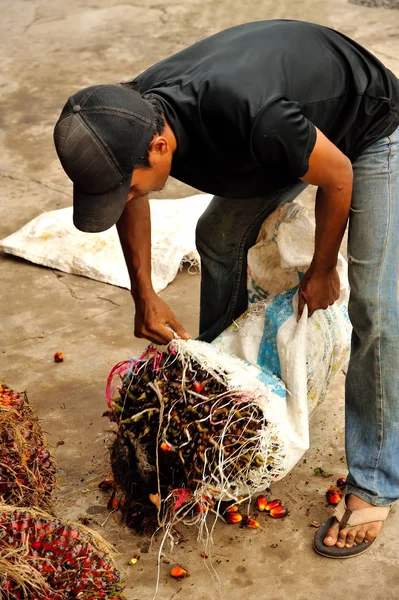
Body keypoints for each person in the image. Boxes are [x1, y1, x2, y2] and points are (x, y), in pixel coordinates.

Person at [53, 19, 399, 558]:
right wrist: (143, 292)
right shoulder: (125, 113)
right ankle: (224, 395)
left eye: (127, 185)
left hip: (366, 129)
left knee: (377, 305)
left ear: (161, 144)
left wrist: (324, 270)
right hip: (288, 130)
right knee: (217, 235)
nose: (125, 196)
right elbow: (132, 197)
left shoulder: (249, 114)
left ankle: (376, 481)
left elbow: (336, 176)